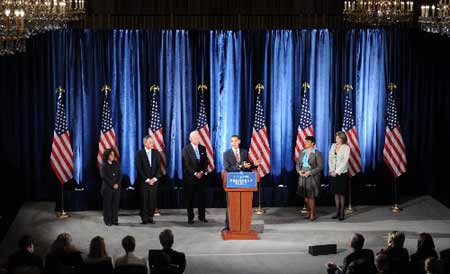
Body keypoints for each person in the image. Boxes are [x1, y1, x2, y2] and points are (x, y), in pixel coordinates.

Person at [222, 135, 261, 230]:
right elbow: (228, 168)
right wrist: (240, 166)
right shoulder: (226, 153)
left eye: (235, 141)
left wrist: (253, 165)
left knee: (245, 204)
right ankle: (229, 226)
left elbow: (247, 165)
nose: (233, 143)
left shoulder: (244, 152)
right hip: (232, 181)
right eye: (231, 141)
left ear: (239, 141)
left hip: (244, 181)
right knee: (231, 204)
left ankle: (244, 225)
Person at [182, 131, 209, 224]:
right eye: (196, 138)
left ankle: (202, 216)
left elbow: (206, 162)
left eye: (198, 138)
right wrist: (195, 173)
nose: (198, 139)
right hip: (190, 178)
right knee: (190, 199)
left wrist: (201, 172)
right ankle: (190, 218)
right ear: (191, 139)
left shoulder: (202, 148)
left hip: (202, 178)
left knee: (202, 198)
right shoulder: (186, 149)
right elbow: (186, 165)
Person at [296, 136, 323, 221]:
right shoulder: (302, 152)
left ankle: (312, 214)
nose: (305, 143)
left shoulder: (317, 153)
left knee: (311, 196)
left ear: (312, 143)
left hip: (312, 176)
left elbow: (320, 167)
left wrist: (310, 172)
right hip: (303, 175)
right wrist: (299, 171)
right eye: (305, 141)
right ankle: (308, 212)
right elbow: (297, 164)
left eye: (307, 142)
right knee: (305, 197)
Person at [136, 135, 162, 224]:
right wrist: (147, 180)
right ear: (145, 143)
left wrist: (154, 179)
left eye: (152, 142)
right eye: (150, 142)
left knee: (152, 200)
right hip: (144, 182)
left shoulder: (156, 153)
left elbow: (159, 168)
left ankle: (150, 217)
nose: (152, 144)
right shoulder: (140, 153)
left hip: (154, 182)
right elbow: (139, 169)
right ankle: (144, 218)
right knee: (144, 200)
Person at [328, 131, 350, 221]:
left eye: (338, 138)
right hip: (333, 172)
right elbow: (330, 158)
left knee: (341, 194)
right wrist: (331, 170)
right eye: (336, 137)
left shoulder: (346, 148)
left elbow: (345, 161)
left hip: (341, 173)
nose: (336, 139)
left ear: (342, 138)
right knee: (336, 193)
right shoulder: (333, 146)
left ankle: (342, 213)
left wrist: (337, 171)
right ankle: (337, 212)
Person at [100, 149, 122, 226]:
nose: (113, 156)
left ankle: (115, 220)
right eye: (111, 155)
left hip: (117, 188)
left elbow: (120, 175)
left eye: (113, 154)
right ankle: (107, 220)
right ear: (107, 156)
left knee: (115, 205)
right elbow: (104, 176)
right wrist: (113, 184)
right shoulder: (103, 165)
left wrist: (117, 184)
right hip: (107, 188)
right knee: (107, 205)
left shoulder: (116, 164)